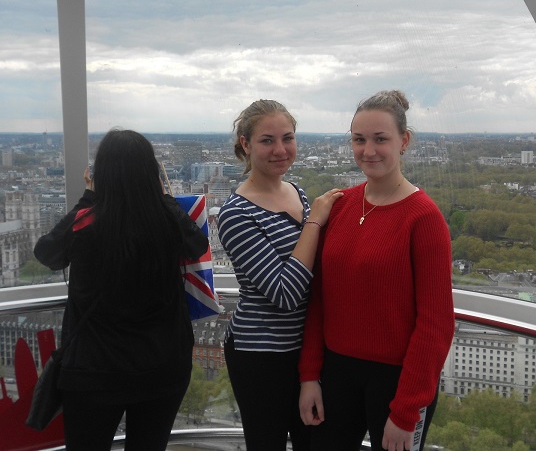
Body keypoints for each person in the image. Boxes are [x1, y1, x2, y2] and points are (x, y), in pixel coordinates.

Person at [298, 90, 455, 451]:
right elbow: (319, 300)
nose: (368, 150)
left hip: (397, 381)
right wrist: (309, 376)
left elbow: (435, 324)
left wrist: (406, 411)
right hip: (336, 373)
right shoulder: (340, 206)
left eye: (380, 139)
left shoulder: (424, 219)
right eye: (359, 140)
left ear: (404, 141)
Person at [34, 129, 209, 451]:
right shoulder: (166, 220)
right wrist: (161, 196)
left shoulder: (86, 222)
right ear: (151, 173)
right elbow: (197, 246)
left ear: (102, 174)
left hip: (94, 369)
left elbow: (48, 254)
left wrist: (90, 196)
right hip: (162, 365)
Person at [217, 99, 343, 451]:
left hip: (307, 350)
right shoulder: (236, 214)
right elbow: (286, 294)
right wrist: (314, 221)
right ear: (245, 144)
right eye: (267, 140)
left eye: (287, 138)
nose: (280, 150)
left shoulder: (296, 192)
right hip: (262, 355)